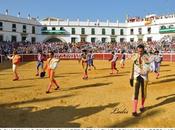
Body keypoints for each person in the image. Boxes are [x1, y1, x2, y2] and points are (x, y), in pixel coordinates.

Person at [130, 44, 150, 116]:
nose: (140, 52)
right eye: (138, 51)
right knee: (135, 93)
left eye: (141, 51)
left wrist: (142, 71)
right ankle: (134, 110)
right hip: (136, 76)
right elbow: (132, 67)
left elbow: (148, 68)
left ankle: (142, 106)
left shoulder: (147, 57)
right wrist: (130, 77)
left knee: (143, 92)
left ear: (143, 50)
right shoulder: (134, 56)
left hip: (144, 77)